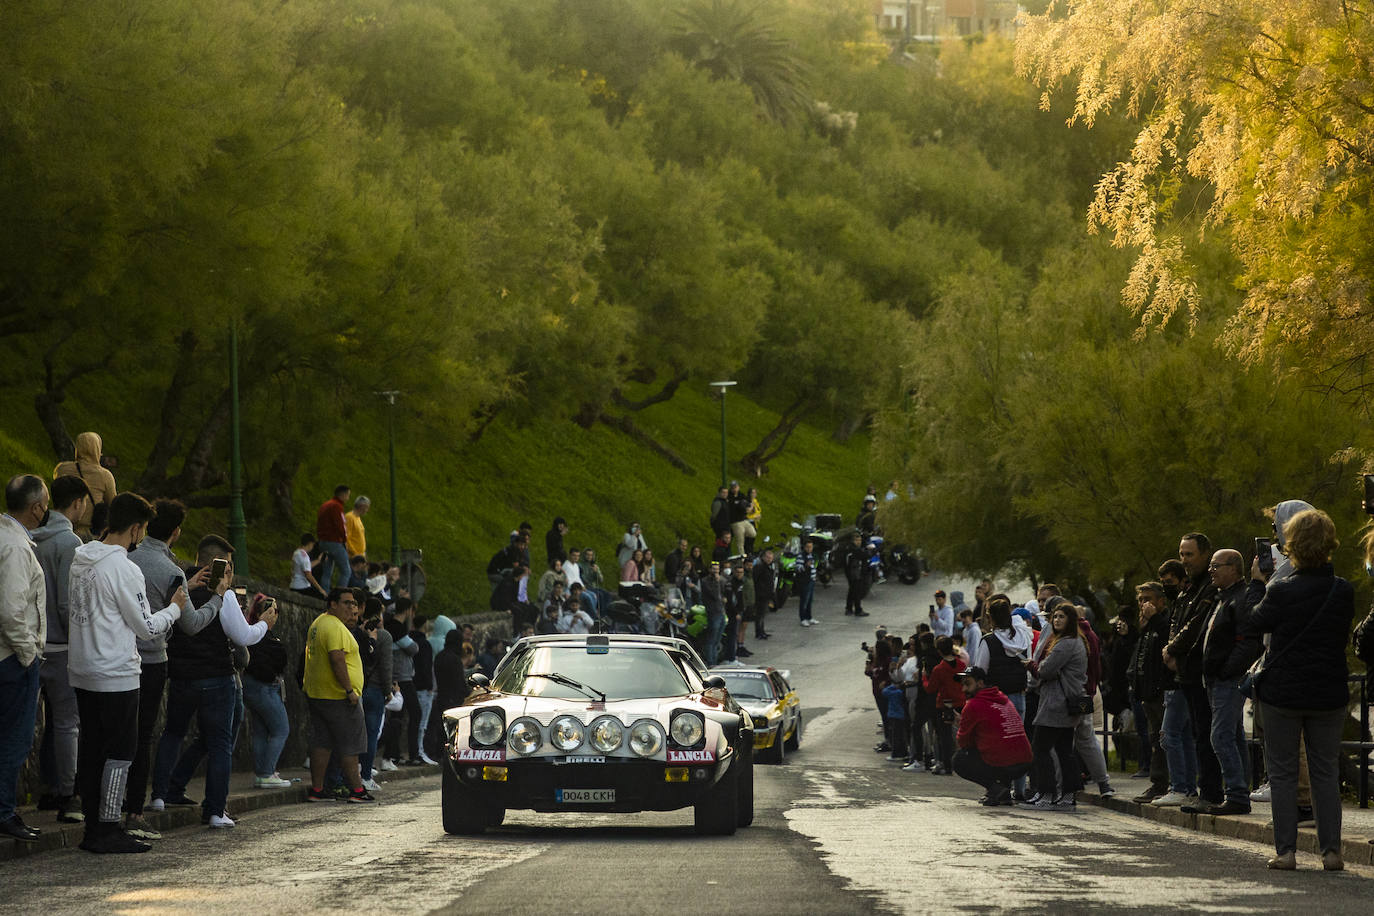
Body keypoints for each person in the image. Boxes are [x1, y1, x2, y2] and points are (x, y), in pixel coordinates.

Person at [1224, 509, 1352, 871]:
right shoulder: (1342, 590)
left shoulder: (1280, 589)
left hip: (1284, 691)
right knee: (1324, 771)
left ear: (1290, 545)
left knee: (1281, 772)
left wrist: (1256, 583)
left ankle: (1287, 851)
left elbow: (1252, 623)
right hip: (1328, 690)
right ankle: (1331, 852)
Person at [67, 492, 186, 853]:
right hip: (116, 672)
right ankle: (108, 825)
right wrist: (175, 609)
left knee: (91, 749)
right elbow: (147, 626)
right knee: (120, 753)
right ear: (135, 530)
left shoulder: (80, 559)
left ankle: (93, 827)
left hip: (83, 668)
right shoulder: (124, 568)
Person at [152, 535, 268, 829]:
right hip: (216, 677)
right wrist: (266, 622)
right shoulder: (224, 594)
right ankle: (215, 810)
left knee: (173, 733)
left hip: (181, 676)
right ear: (219, 564)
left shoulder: (178, 584)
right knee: (219, 744)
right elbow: (242, 636)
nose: (230, 570)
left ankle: (159, 795)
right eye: (228, 564)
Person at [125, 500, 222, 838]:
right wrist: (217, 598)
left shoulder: (128, 556)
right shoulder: (171, 571)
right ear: (177, 532)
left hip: (121, 654)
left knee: (117, 734)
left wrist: (189, 584)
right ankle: (135, 811)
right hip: (151, 659)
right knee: (144, 735)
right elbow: (192, 624)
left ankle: (111, 806)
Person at [32, 475, 90, 824]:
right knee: (67, 723)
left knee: (29, 722)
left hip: (28, 644)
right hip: (61, 646)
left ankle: (45, 788)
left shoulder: (30, 537)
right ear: (79, 502)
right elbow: (69, 604)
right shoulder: (69, 542)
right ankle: (68, 795)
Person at [1183, 548, 1259, 816]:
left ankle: (1237, 794)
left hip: (1227, 679)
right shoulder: (1221, 598)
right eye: (1211, 566)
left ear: (1234, 568)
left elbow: (1250, 640)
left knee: (1220, 735)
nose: (1212, 571)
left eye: (1217, 566)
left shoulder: (1242, 597)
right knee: (1234, 735)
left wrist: (1228, 670)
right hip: (1214, 679)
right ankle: (1240, 790)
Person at [1, 475, 50, 843]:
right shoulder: (17, 548)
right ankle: (4, 812)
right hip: (12, 658)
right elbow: (12, 610)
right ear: (36, 508)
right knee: (14, 739)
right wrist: (28, 653)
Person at [1161, 533, 1223, 808]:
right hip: (1184, 671)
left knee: (1210, 734)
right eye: (1182, 554)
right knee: (1196, 733)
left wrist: (1173, 649)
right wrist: (1171, 649)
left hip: (1202, 671)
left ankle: (1213, 792)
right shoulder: (1189, 589)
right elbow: (1177, 619)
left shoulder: (1210, 587)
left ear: (1205, 553)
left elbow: (1197, 624)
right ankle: (1202, 790)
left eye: (1190, 554)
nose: (1185, 560)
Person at [304, 588, 372, 803]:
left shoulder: (318, 623)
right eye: (346, 603)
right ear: (332, 604)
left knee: (322, 743)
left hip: (318, 694)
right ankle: (357, 790)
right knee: (350, 744)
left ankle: (317, 790)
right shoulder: (334, 627)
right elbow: (337, 659)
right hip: (338, 696)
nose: (351, 607)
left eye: (353, 603)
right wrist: (349, 690)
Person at [1022, 602, 1088, 810]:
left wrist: (1032, 665)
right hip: (1062, 703)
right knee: (1063, 750)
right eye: (1055, 617)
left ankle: (1047, 792)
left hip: (1057, 704)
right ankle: (1067, 794)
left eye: (1062, 617)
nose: (1057, 620)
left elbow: (1045, 670)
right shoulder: (1071, 641)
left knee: (1040, 748)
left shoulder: (1066, 643)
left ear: (1070, 621)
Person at [952, 666, 1034, 805]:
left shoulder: (973, 705)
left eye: (968, 684)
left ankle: (996, 788)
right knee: (999, 749)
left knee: (959, 759)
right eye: (963, 684)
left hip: (1005, 762)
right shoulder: (1002, 698)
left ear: (980, 683)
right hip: (1024, 761)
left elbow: (963, 742)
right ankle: (1003, 793)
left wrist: (960, 725)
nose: (964, 689)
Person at [1128, 582, 1173, 805]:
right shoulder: (1145, 626)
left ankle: (1167, 782)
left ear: (1160, 601)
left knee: (1164, 738)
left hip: (1162, 691)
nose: (1144, 604)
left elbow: (1167, 643)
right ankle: (1158, 783)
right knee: (1154, 737)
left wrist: (1154, 619)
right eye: (1141, 600)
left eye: (1149, 599)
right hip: (1146, 692)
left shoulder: (1164, 621)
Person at [242, 594, 291, 788]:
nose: (274, 615)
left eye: (276, 611)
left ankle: (263, 771)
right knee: (281, 729)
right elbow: (260, 662)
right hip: (264, 687)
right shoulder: (260, 635)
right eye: (271, 611)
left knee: (261, 730)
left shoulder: (253, 632)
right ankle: (266, 772)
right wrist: (272, 677)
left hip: (255, 686)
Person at [52, 432, 117, 539]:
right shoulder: (105, 475)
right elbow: (113, 504)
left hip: (60, 526)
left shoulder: (61, 469)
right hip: (88, 533)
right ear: (97, 449)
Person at [922, 636, 967, 773]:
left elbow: (930, 688)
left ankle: (947, 765)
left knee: (944, 736)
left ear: (939, 651)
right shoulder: (961, 665)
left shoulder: (939, 669)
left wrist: (924, 677)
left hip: (945, 705)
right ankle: (961, 763)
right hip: (960, 702)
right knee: (961, 734)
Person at [315, 485, 351, 592]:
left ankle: (325, 594)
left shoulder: (325, 505)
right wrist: (345, 540)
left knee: (327, 571)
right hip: (334, 542)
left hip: (323, 542)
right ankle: (339, 595)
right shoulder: (336, 506)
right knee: (346, 571)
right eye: (348, 495)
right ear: (343, 494)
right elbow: (340, 525)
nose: (348, 498)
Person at [701, 561, 726, 666]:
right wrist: (716, 582)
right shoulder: (705, 581)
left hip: (721, 612)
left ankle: (715, 661)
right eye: (714, 569)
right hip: (713, 612)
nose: (716, 571)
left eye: (717, 569)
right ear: (710, 570)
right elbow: (715, 595)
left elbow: (725, 593)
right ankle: (710, 662)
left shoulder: (722, 580)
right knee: (711, 639)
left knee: (717, 639)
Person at [290, 533, 326, 599]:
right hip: (302, 587)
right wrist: (320, 589)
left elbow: (306, 566)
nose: (312, 547)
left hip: (294, 585)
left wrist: (318, 560)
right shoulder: (304, 555)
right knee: (322, 597)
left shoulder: (297, 552)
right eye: (312, 545)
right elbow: (308, 575)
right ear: (310, 543)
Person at [843, 532, 870, 617]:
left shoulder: (849, 548)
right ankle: (858, 610)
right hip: (854, 573)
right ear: (853, 541)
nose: (859, 542)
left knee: (852, 590)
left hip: (851, 572)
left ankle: (849, 608)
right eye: (857, 540)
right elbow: (864, 555)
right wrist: (870, 550)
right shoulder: (853, 549)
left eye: (860, 540)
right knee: (857, 591)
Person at [752, 547, 776, 640]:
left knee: (763, 614)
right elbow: (756, 579)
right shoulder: (760, 567)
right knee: (759, 614)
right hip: (761, 594)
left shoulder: (769, 567)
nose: (769, 559)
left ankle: (762, 631)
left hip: (766, 594)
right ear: (764, 557)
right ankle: (759, 632)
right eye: (768, 557)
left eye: (771, 557)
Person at [796, 539, 818, 627]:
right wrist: (806, 565)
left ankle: (809, 617)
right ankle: (803, 618)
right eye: (808, 547)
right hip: (805, 581)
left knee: (810, 600)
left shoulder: (811, 555)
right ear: (804, 547)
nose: (810, 549)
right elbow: (798, 568)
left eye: (811, 547)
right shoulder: (801, 556)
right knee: (804, 600)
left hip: (811, 580)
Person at [744, 487, 762, 554]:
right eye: (752, 493)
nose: (754, 494)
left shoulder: (755, 501)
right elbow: (747, 513)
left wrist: (758, 515)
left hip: (755, 522)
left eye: (755, 492)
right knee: (748, 540)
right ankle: (747, 554)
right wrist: (755, 516)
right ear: (749, 494)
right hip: (749, 522)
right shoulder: (747, 501)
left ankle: (750, 553)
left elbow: (758, 510)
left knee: (752, 540)